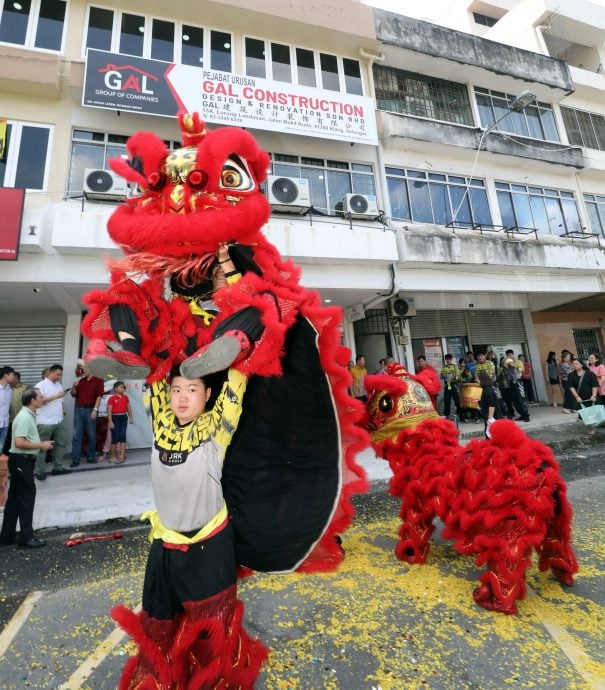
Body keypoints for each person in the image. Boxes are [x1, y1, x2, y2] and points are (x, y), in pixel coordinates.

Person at [111, 366, 266, 688]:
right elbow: (153, 370)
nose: (182, 397)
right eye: (176, 390)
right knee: (159, 629)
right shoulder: (161, 423)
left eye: (192, 390)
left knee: (213, 636)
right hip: (165, 547)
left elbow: (237, 381)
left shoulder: (216, 430)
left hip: (209, 547)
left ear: (208, 395)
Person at [0, 388, 53, 548]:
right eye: (41, 397)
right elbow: (19, 442)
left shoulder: (28, 415)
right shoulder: (24, 417)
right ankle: (26, 538)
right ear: (33, 400)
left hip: (20, 461)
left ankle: (7, 537)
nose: (43, 399)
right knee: (27, 498)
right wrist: (41, 445)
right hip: (21, 461)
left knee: (15, 499)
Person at [34, 364, 70, 480]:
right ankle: (40, 471)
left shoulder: (59, 385)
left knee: (61, 443)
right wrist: (55, 396)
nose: (58, 377)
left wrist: (62, 410)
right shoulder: (40, 386)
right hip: (45, 421)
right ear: (50, 372)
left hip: (59, 419)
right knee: (42, 447)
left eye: (60, 375)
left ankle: (57, 467)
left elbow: (61, 401)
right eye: (57, 374)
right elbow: (38, 402)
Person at [69, 361, 104, 467]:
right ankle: (75, 459)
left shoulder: (98, 380)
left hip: (90, 409)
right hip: (79, 410)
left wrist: (95, 409)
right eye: (81, 369)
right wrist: (74, 387)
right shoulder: (82, 381)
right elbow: (73, 394)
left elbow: (99, 396)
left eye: (84, 369)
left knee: (92, 435)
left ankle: (91, 457)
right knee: (77, 435)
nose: (82, 371)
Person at [568, 357, 600, 436]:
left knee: (592, 413)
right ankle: (590, 428)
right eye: (573, 364)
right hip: (580, 398)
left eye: (576, 364)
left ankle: (592, 428)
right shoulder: (571, 375)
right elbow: (571, 387)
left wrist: (594, 395)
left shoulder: (589, 373)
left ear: (581, 365)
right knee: (584, 414)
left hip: (590, 397)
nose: (575, 365)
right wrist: (576, 397)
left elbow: (595, 385)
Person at [498, 352, 530, 422]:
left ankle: (526, 416)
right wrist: (505, 366)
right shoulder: (507, 363)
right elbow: (504, 374)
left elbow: (522, 370)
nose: (509, 356)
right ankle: (522, 415)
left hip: (518, 382)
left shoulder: (518, 362)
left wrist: (513, 365)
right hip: (511, 383)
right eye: (507, 355)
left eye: (510, 355)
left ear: (513, 355)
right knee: (515, 401)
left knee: (521, 400)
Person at [107, 381, 133, 463]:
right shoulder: (112, 398)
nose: (123, 389)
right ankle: (112, 456)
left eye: (123, 387)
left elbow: (128, 408)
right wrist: (110, 421)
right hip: (115, 418)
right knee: (115, 438)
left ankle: (121, 455)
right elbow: (109, 411)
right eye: (121, 387)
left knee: (122, 436)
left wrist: (130, 417)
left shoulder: (126, 398)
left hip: (123, 417)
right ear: (115, 389)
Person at [477, 371, 504, 438]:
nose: (477, 381)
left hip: (494, 417)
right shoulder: (485, 390)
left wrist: (490, 418)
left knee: (492, 436)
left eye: (477, 379)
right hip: (489, 416)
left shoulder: (488, 391)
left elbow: (492, 405)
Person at [440, 353, 463, 421]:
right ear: (445, 360)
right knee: (447, 401)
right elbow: (441, 376)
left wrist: (454, 377)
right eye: (447, 359)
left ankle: (461, 415)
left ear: (451, 359)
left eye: (449, 359)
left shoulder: (455, 367)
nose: (448, 361)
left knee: (457, 401)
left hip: (454, 385)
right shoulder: (444, 368)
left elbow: (459, 376)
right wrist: (443, 376)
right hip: (447, 386)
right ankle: (446, 415)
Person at [0, 365, 17, 454]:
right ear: (6, 375)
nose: (14, 377)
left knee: (1, 446)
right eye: (12, 374)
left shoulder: (9, 390)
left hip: (5, 423)